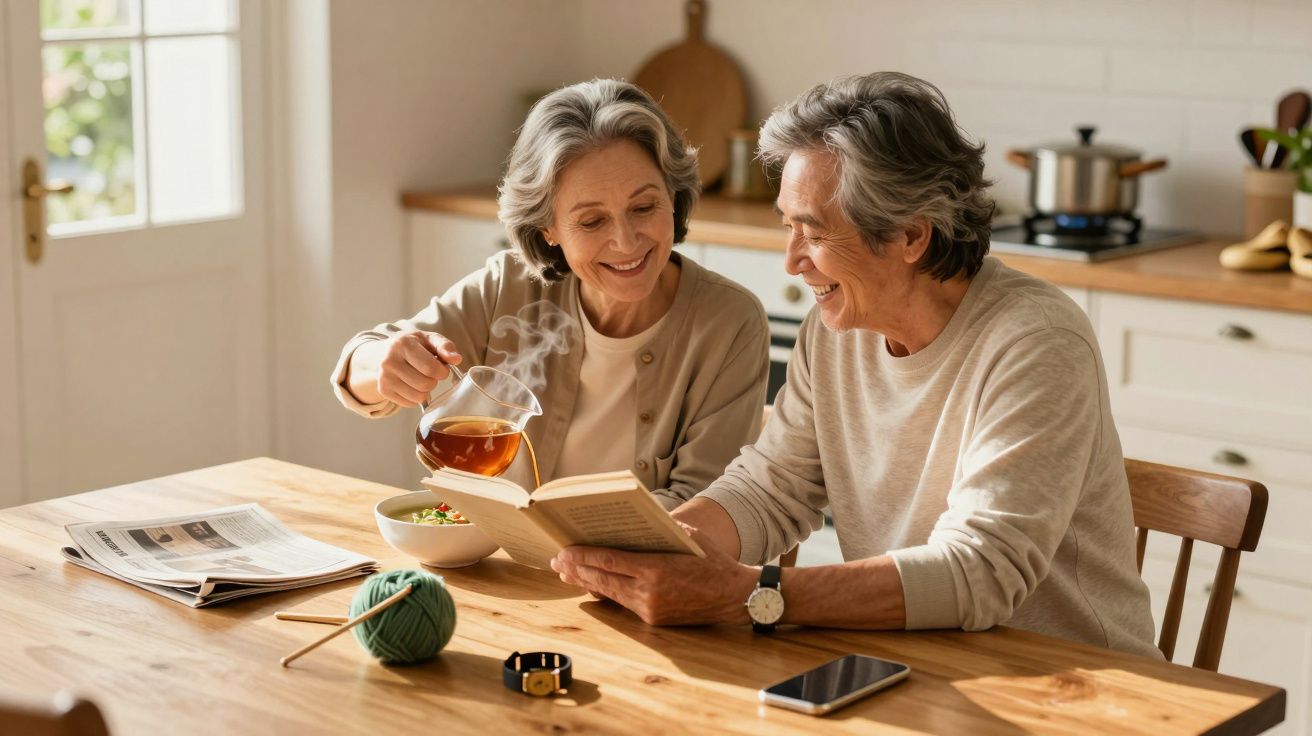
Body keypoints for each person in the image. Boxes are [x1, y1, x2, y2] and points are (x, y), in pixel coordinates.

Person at [550, 72, 1160, 658]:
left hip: (1072, 683)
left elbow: (982, 571)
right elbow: (770, 488)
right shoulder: (838, 329)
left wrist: (746, 595)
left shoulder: (1035, 341)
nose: (792, 262)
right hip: (918, 664)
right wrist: (662, 549)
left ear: (910, 236)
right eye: (788, 227)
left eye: (812, 233)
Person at [331, 79, 769, 508]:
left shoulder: (729, 322)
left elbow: (704, 507)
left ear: (672, 197)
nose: (627, 241)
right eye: (592, 221)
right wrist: (384, 364)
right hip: (498, 565)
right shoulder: (510, 287)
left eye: (643, 207)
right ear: (549, 229)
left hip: (633, 576)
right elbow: (359, 365)